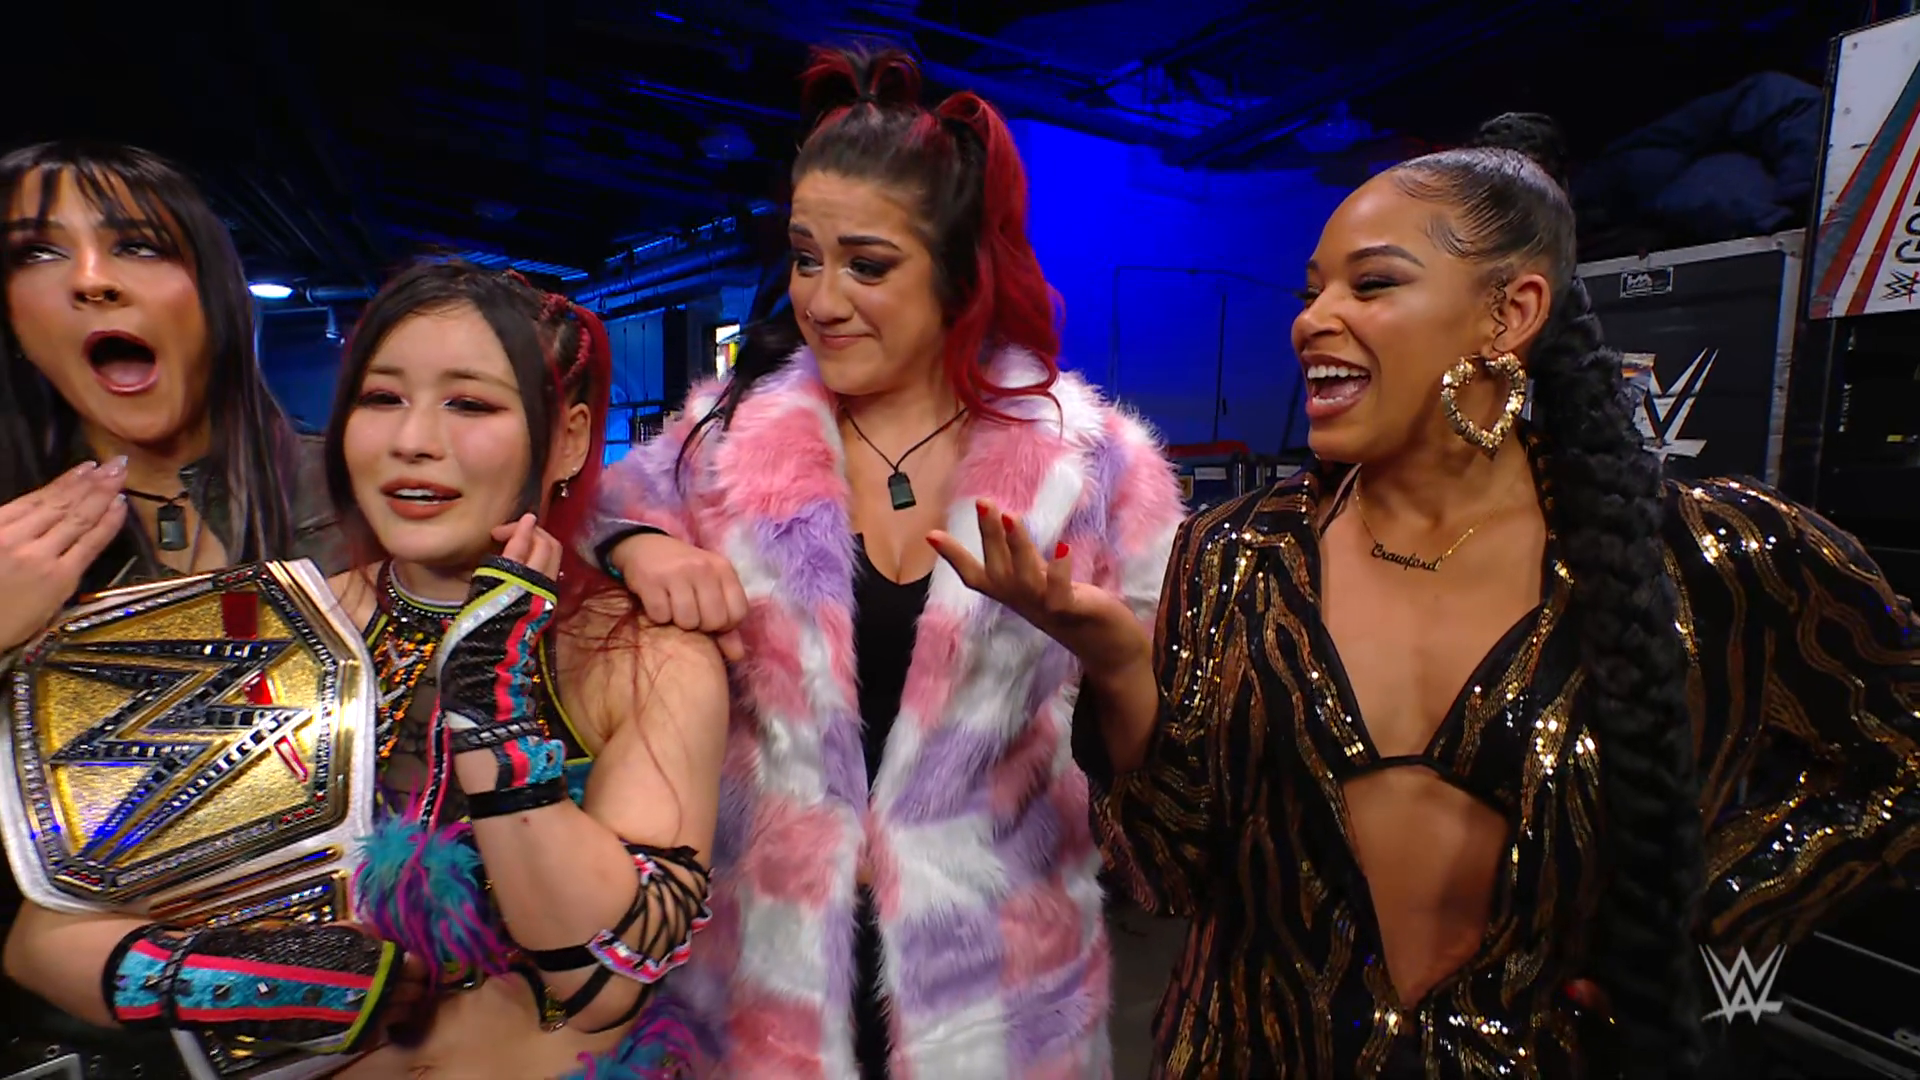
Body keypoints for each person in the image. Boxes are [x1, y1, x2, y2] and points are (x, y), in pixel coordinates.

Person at [940, 144, 1920, 1078]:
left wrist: (1696, 923)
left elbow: (1900, 759)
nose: (1312, 321)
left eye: (1371, 284)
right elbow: (1171, 874)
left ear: (1509, 314)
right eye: (1312, 291)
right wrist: (1119, 668)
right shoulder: (1235, 555)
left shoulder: (1708, 556)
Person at [590, 46, 1184, 1078]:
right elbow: (602, 512)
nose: (821, 300)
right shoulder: (725, 443)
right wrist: (639, 547)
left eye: (867, 265)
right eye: (804, 258)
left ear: (962, 273)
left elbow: (1170, 776)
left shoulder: (1098, 470)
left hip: (1005, 998)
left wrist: (1115, 656)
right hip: (756, 986)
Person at [5, 261, 730, 1079]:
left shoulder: (643, 656)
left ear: (566, 437)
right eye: (382, 398)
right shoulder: (268, 627)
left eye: (470, 404)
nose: (412, 441)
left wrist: (493, 716)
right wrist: (245, 981)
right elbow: (43, 937)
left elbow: (603, 979)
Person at [0, 140, 347, 1079]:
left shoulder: (349, 489)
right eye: (37, 251)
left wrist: (627, 539)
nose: (91, 280)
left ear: (214, 292)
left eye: (138, 245)